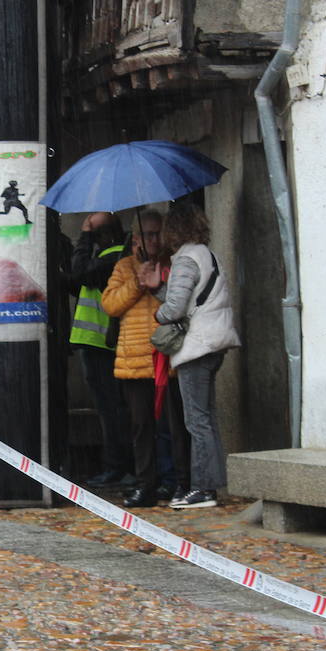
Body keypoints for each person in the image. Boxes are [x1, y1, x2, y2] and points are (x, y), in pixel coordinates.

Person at [141, 201, 240, 509]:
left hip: (198, 345)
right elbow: (191, 298)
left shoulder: (186, 259)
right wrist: (158, 288)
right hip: (214, 341)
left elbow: (175, 308)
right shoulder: (207, 255)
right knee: (206, 419)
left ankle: (202, 489)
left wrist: (157, 315)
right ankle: (210, 485)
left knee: (196, 420)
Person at [101, 210, 190, 507]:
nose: (153, 240)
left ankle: (179, 482)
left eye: (157, 233)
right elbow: (110, 305)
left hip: (168, 356)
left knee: (174, 427)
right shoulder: (124, 266)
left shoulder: (174, 263)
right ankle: (145, 485)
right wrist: (137, 283)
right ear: (136, 238)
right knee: (141, 428)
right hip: (135, 359)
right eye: (147, 234)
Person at [68, 211, 133, 487]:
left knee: (112, 410)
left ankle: (118, 467)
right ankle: (118, 466)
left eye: (93, 235)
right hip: (96, 343)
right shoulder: (108, 257)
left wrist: (83, 236)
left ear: (103, 235)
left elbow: (80, 273)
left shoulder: (113, 257)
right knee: (110, 409)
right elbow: (77, 282)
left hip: (103, 344)